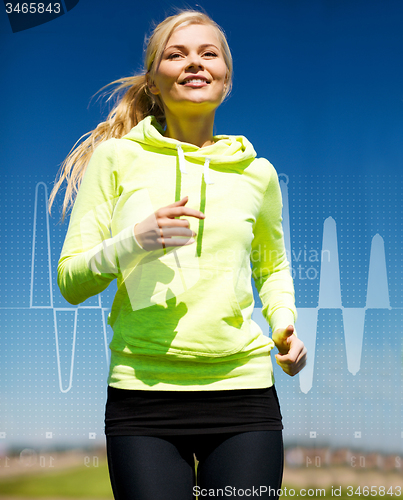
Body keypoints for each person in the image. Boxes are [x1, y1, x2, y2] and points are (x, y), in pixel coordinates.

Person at [50, 9, 307, 500]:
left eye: (208, 53)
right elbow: (70, 281)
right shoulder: (117, 159)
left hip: (244, 394)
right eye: (176, 53)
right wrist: (134, 241)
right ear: (153, 79)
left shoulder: (259, 174)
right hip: (142, 397)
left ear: (226, 77)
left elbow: (272, 267)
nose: (194, 63)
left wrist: (285, 324)